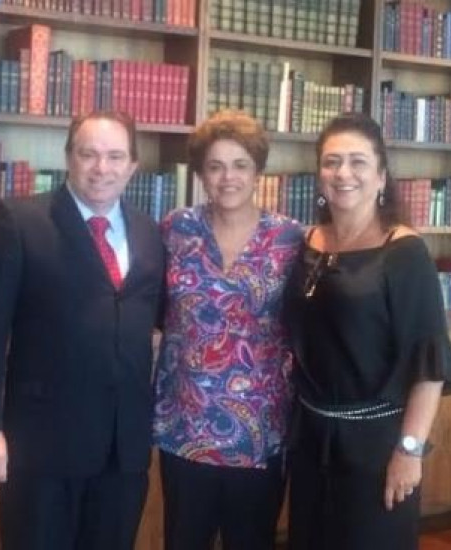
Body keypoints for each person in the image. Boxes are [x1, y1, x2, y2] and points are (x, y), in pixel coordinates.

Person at [0, 111, 165, 550]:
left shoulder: (150, 232)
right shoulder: (19, 222)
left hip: (123, 450)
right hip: (41, 446)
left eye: (115, 156)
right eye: (88, 154)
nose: (101, 168)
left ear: (133, 165)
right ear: (69, 157)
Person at [284, 112, 451, 550]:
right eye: (332, 162)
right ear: (319, 174)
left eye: (358, 161)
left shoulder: (404, 252)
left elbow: (429, 365)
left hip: (377, 445)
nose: (343, 173)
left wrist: (410, 450)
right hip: (309, 437)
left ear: (381, 176)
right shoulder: (306, 242)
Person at [153, 110, 303, 550]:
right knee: (184, 541)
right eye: (215, 166)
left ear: (257, 171)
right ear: (201, 173)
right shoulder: (176, 229)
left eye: (240, 165)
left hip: (260, 429)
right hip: (184, 426)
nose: (227, 177)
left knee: (251, 541)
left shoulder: (289, 239)